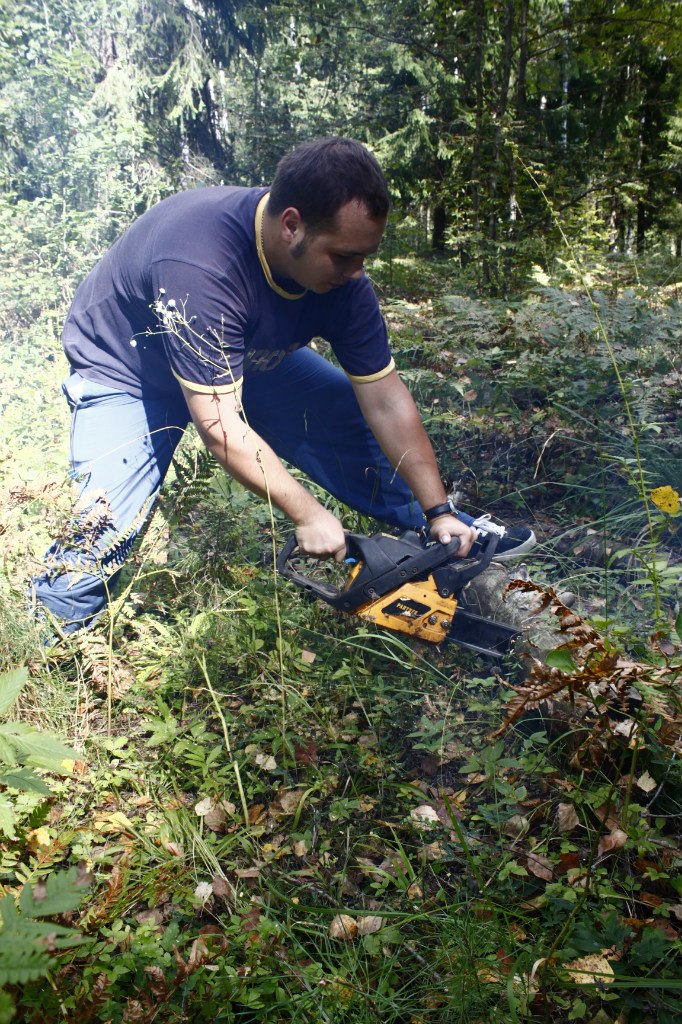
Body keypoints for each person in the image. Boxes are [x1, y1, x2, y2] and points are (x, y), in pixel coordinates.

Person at [31, 137, 535, 636]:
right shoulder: (201, 262)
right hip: (129, 372)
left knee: (347, 417)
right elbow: (221, 425)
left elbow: (384, 399)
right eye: (342, 256)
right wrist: (308, 512)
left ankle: (445, 532)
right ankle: (47, 649)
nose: (356, 273)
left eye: (365, 257)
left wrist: (438, 508)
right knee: (99, 528)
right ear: (291, 224)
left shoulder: (346, 281)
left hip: (243, 358)